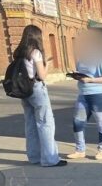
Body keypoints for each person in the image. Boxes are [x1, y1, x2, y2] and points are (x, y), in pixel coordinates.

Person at [14, 25, 66, 167]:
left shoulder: (19, 52)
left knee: (30, 124)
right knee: (45, 123)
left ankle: (34, 156)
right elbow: (42, 76)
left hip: (24, 90)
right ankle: (50, 159)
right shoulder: (35, 52)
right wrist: (47, 64)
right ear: (37, 37)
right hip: (36, 88)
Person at [68, 30, 102, 161]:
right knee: (77, 122)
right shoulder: (81, 59)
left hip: (99, 95)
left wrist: (90, 80)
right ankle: (80, 150)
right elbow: (83, 74)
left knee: (101, 122)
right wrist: (76, 76)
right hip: (83, 94)